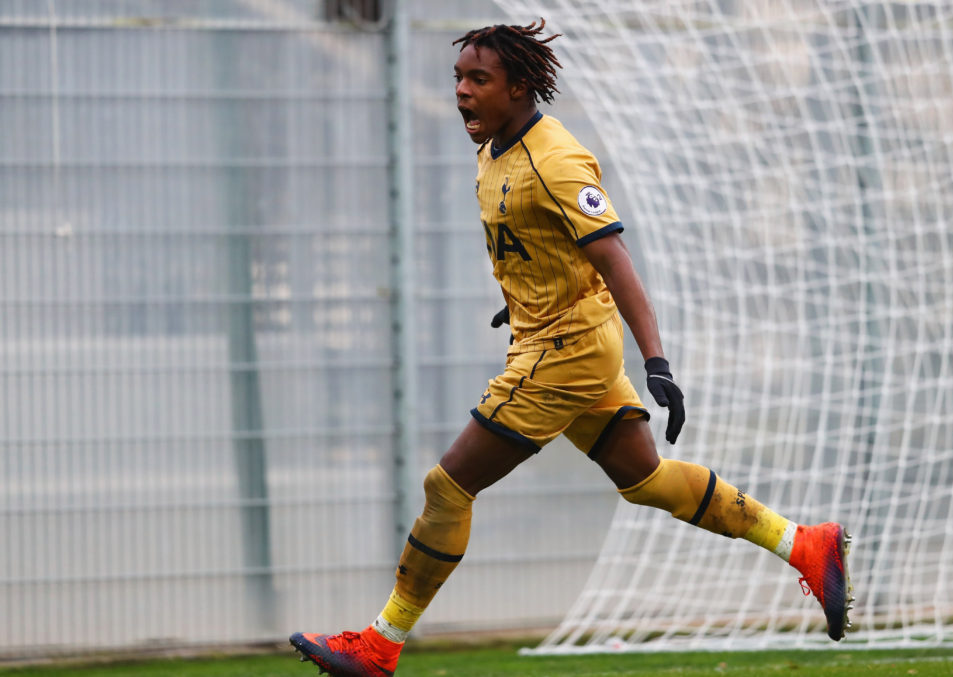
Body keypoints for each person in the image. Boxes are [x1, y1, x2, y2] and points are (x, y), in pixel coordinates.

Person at [290, 19, 853, 677]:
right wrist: (523, 292)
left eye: (479, 79)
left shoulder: (554, 159)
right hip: (565, 335)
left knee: (447, 484)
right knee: (646, 481)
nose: (463, 92)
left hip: (564, 352)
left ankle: (380, 645)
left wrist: (658, 362)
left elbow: (616, 260)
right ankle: (804, 543)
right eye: (458, 78)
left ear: (521, 85)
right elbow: (541, 244)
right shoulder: (495, 148)